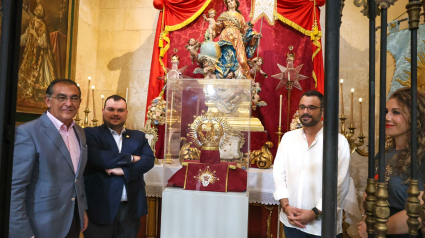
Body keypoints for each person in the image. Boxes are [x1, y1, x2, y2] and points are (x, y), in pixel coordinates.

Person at [9, 79, 88, 238]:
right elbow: (15, 188)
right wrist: (23, 233)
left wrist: (82, 209)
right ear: (48, 101)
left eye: (74, 98)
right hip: (41, 225)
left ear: (79, 102)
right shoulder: (28, 132)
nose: (68, 103)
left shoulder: (79, 132)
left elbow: (77, 177)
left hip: (72, 220)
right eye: (61, 97)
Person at [273, 90, 351, 237]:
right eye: (302, 107)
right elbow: (279, 174)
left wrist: (315, 212)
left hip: (321, 226)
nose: (305, 111)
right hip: (291, 221)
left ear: (323, 111)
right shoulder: (288, 138)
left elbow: (340, 183)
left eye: (311, 108)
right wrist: (285, 205)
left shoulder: (338, 142)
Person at [83, 95, 155, 238]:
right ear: (103, 111)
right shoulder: (90, 133)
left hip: (130, 209)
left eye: (120, 110)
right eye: (111, 109)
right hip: (100, 207)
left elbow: (148, 160)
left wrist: (123, 170)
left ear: (126, 113)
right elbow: (98, 158)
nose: (115, 114)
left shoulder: (138, 136)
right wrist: (131, 158)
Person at [357, 87, 425, 238]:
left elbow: (420, 212)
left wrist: (375, 228)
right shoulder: (384, 153)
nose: (387, 117)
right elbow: (370, 190)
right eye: (386, 112)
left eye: (396, 112)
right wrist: (367, 217)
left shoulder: (421, 157)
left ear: (415, 117)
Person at [18, 1, 56, 101]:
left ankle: (33, 93)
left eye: (39, 9)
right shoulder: (31, 22)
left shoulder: (42, 25)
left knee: (36, 74)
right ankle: (25, 92)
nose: (37, 10)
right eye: (37, 8)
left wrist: (34, 34)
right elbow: (26, 37)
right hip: (29, 52)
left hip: (38, 54)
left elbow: (43, 43)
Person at [214, 0, 261, 79]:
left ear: (236, 3)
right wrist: (211, 31)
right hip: (226, 38)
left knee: (242, 60)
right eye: (228, 2)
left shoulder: (240, 16)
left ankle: (244, 79)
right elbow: (217, 29)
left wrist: (254, 37)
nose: (230, 2)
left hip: (238, 39)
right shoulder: (224, 15)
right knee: (226, 60)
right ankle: (226, 78)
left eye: (232, 1)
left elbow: (245, 32)